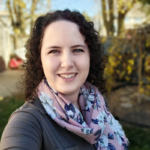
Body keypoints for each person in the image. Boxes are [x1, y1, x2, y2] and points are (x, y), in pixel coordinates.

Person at [0, 9, 129, 150]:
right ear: (40, 60)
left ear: (90, 56)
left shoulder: (98, 103)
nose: (67, 63)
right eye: (54, 51)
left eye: (78, 50)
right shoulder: (27, 121)